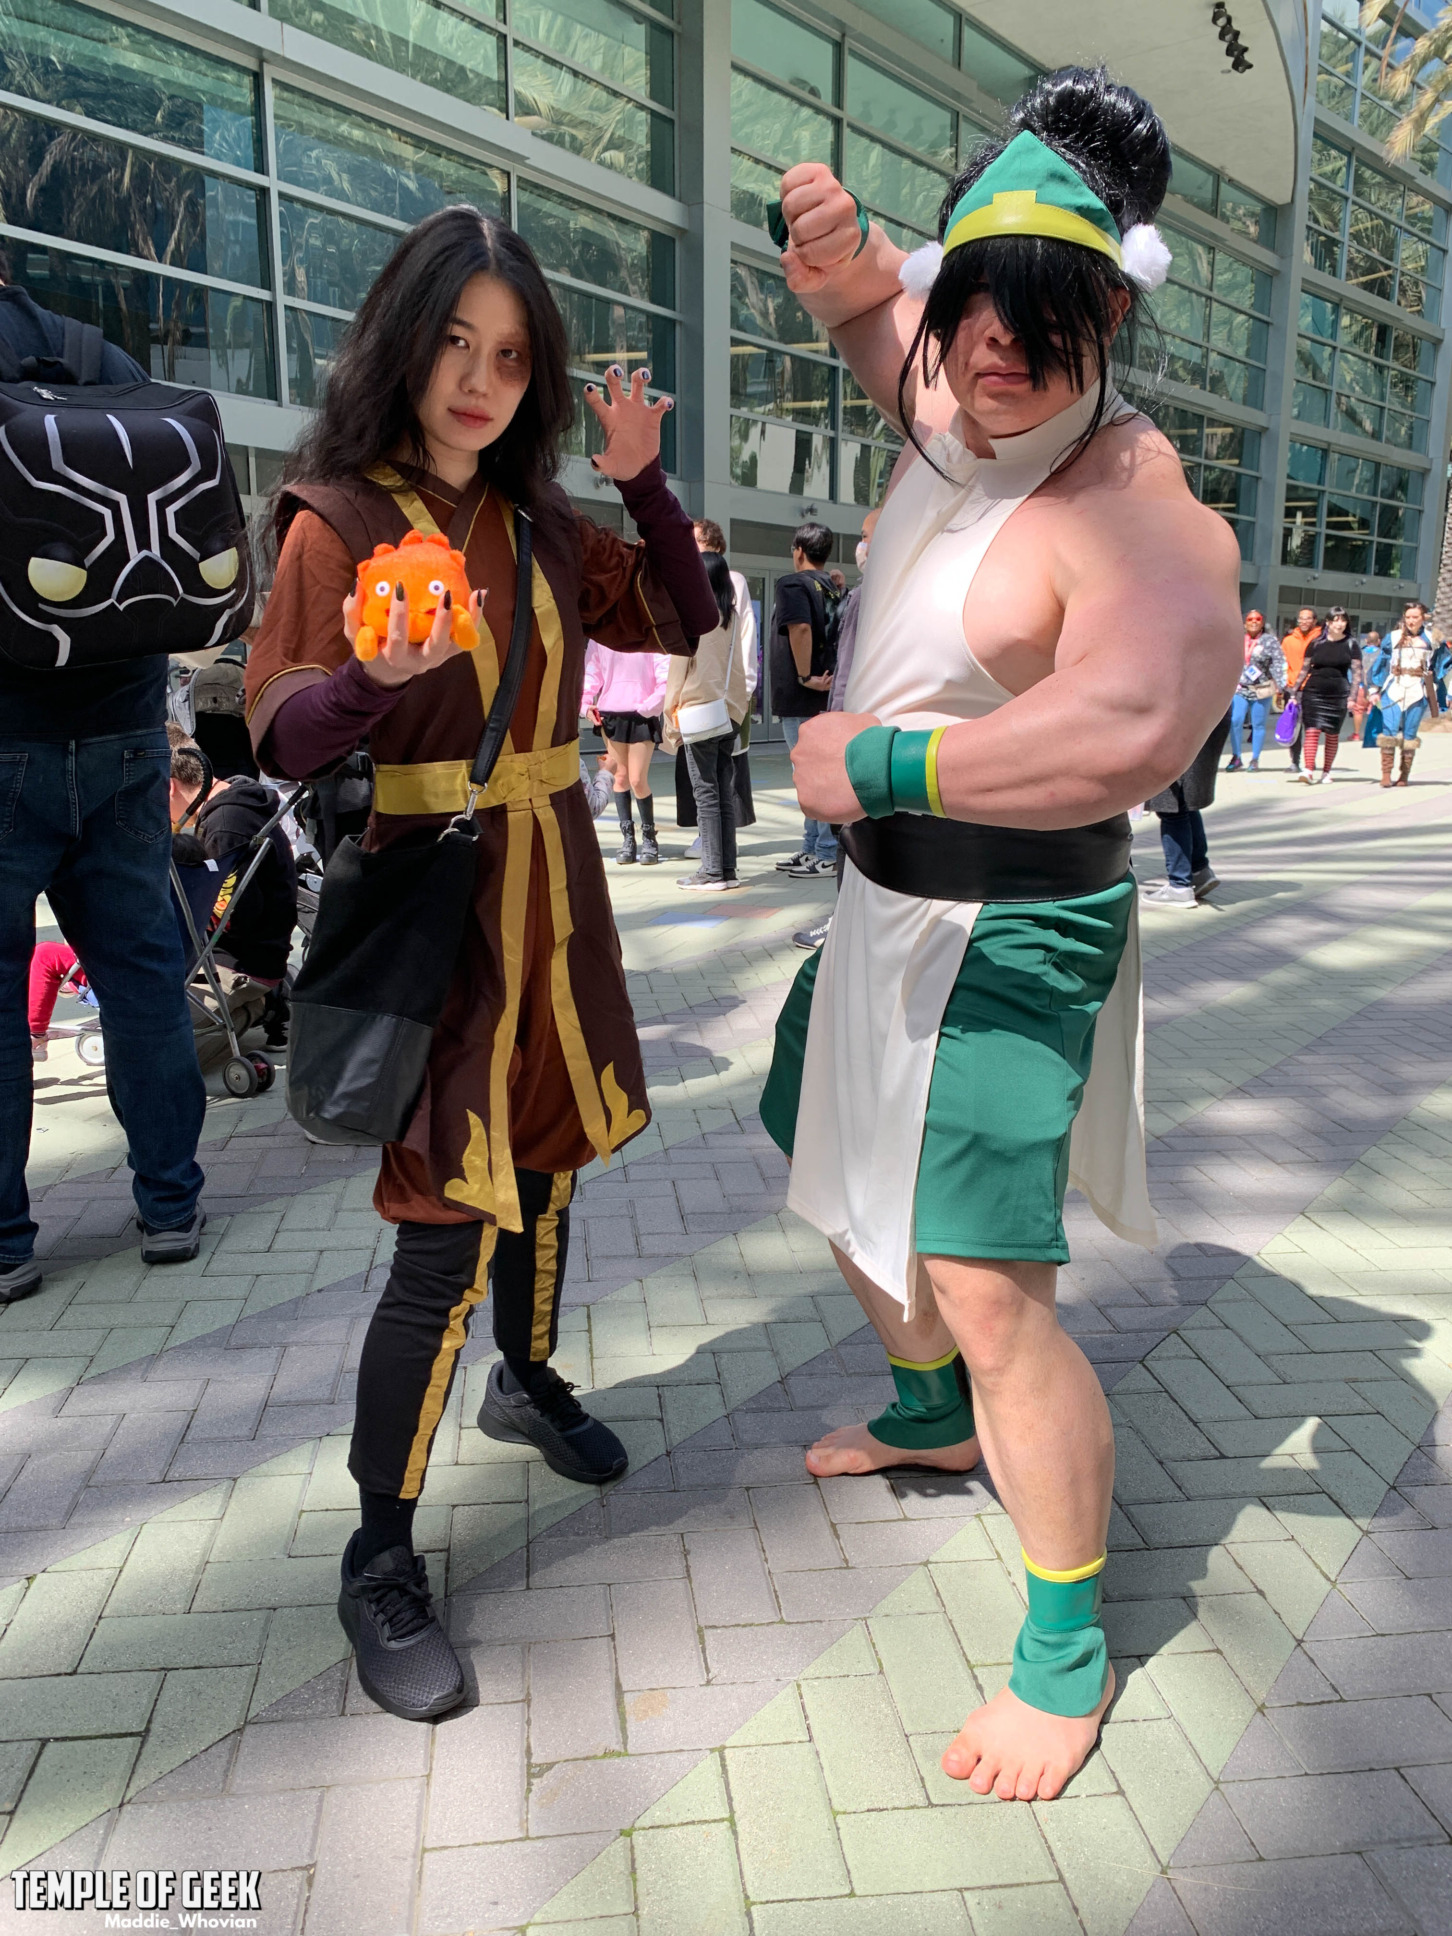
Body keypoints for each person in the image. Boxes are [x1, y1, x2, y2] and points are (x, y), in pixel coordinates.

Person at [759, 67, 1240, 1800]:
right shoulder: (952, 385)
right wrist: (833, 256)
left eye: (1042, 313)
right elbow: (874, 319)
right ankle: (928, 1414)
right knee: (814, 1139)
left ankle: (1062, 1650)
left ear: (1109, 313)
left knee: (984, 1282)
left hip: (1015, 925)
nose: (994, 347)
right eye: (973, 305)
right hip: (879, 905)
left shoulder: (1131, 497)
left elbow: (1138, 719)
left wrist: (880, 761)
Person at [243, 205, 716, 1723]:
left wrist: (642, 478)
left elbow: (690, 613)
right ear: (403, 341)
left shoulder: (542, 525)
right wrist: (370, 682)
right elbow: (275, 725)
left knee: (552, 1166)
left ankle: (527, 1379)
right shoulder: (335, 519)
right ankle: (378, 1553)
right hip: (438, 909)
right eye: (454, 342)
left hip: (558, 892)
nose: (478, 379)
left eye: (510, 356)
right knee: (442, 1234)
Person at [0, 271, 209, 1303]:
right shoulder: (99, 359)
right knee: (140, 978)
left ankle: (7, 1243)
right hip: (126, 726)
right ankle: (169, 1203)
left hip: (3, 732)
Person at [795, 505, 882, 951]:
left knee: (851, 833)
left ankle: (843, 926)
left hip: (857, 733)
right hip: (887, 734)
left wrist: (837, 724)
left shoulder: (869, 596)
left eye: (866, 536)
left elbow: (845, 672)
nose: (860, 545)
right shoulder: (894, 592)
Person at [663, 552, 750, 890]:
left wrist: (670, 713)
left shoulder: (693, 616)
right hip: (728, 712)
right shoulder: (731, 617)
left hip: (698, 712)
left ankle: (711, 871)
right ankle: (727, 869)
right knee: (723, 792)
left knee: (705, 793)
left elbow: (678, 669)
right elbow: (738, 666)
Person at [771, 521, 840, 878]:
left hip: (803, 694)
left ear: (799, 550)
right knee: (811, 774)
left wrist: (803, 676)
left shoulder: (793, 584)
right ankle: (813, 846)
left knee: (811, 775)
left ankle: (825, 850)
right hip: (824, 692)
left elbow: (800, 627)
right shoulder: (831, 586)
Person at [690, 518, 758, 843]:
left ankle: (719, 842)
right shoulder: (690, 579)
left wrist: (745, 688)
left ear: (712, 544)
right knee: (705, 773)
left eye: (696, 541)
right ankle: (712, 840)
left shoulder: (733, 581)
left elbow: (746, 636)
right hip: (702, 691)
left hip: (725, 691)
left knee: (723, 770)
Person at [580, 639, 669, 863]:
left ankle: (649, 838)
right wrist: (585, 705)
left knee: (637, 779)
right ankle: (628, 839)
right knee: (620, 777)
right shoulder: (601, 635)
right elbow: (591, 672)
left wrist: (650, 706)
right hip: (610, 713)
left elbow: (665, 673)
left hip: (642, 713)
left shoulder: (649, 630)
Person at [1143, 714, 1230, 906]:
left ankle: (1179, 885)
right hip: (1198, 732)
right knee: (1185, 805)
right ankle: (1199, 870)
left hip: (1175, 735)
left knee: (1172, 809)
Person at [1364, 599, 1448, 787]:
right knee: (1389, 730)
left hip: (1418, 689)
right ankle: (1386, 773)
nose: (1411, 621)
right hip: (1394, 687)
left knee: (1410, 733)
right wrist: (1374, 689)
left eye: (1415, 617)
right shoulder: (1393, 637)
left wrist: (1435, 683)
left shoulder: (1433, 639)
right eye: (1408, 617)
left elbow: (1442, 662)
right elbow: (1382, 662)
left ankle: (1404, 775)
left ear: (1423, 618)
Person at [1293, 606, 1355, 786]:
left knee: (1332, 734)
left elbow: (1358, 673)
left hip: (1338, 694)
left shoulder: (1351, 644)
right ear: (1327, 623)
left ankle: (1326, 771)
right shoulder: (1316, 644)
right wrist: (1294, 691)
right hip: (1314, 692)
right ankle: (1308, 770)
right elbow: (1304, 669)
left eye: (1343, 620)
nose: (1339, 624)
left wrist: (1352, 697)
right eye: (1335, 620)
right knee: (1312, 731)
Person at [1226, 611, 1284, 771]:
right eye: (1250, 619)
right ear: (1244, 623)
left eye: (1257, 619)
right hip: (1240, 688)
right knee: (1235, 721)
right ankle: (1236, 757)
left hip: (1261, 689)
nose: (1254, 622)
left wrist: (1280, 685)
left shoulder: (1269, 641)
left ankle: (1255, 759)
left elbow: (1278, 663)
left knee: (1258, 724)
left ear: (1262, 622)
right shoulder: (1237, 639)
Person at [1279, 605, 1318, 777]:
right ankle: (1295, 761)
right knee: (1294, 726)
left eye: (1308, 618)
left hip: (1314, 687)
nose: (1304, 621)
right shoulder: (1288, 641)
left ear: (1314, 620)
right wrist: (1282, 687)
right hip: (1293, 688)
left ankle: (1310, 760)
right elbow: (1282, 664)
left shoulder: (1320, 639)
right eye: (1301, 618)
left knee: (1312, 726)